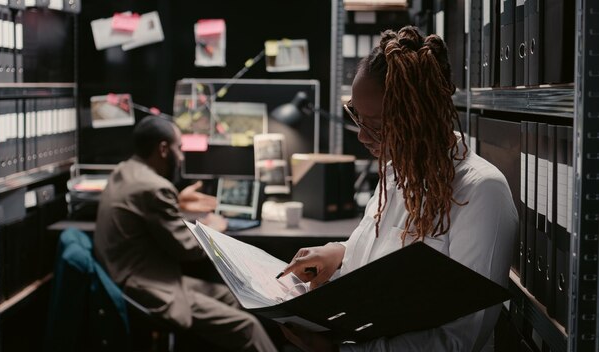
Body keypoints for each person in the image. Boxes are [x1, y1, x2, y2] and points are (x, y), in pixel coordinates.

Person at [277, 26, 518, 352]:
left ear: (421, 118)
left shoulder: (482, 193)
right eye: (356, 116)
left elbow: (461, 339)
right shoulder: (397, 172)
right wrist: (339, 253)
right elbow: (381, 258)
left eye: (376, 126)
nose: (362, 136)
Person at [93, 115, 278, 352]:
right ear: (162, 149)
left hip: (136, 277)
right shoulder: (154, 187)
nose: (181, 157)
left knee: (237, 296)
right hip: (150, 289)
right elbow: (188, 249)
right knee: (247, 327)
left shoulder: (125, 171)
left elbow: (145, 212)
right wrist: (213, 225)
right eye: (178, 149)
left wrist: (177, 203)